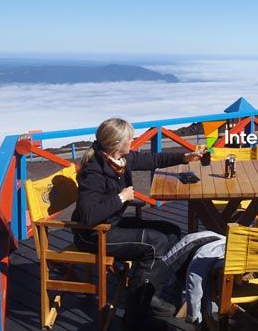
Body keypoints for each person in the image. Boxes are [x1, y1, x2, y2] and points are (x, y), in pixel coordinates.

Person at [71, 117, 203, 330]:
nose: (133, 141)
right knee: (154, 243)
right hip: (93, 234)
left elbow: (153, 160)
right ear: (116, 143)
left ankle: (173, 286)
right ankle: (139, 308)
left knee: (171, 231)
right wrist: (121, 198)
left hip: (111, 224)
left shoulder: (121, 160)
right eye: (129, 139)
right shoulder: (93, 171)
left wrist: (185, 157)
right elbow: (87, 216)